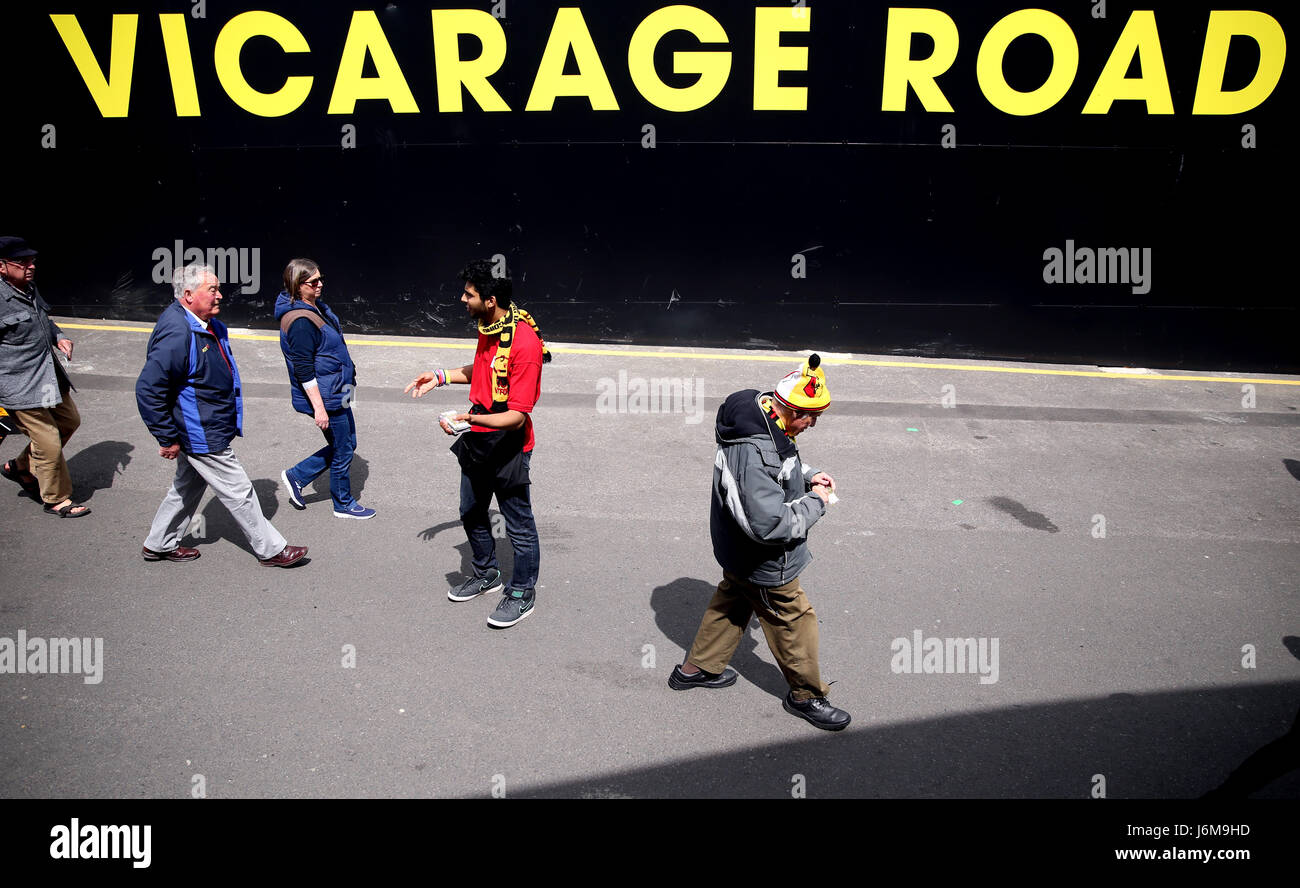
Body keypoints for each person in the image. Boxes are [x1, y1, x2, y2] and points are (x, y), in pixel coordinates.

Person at [669, 354, 851, 731]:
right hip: (765, 559)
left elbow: (782, 466)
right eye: (810, 416)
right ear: (791, 408)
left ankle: (694, 670)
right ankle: (806, 695)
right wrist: (816, 501)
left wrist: (810, 474)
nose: (813, 424)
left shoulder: (763, 416)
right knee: (793, 620)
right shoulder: (756, 450)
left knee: (733, 600)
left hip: (737, 551)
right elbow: (769, 524)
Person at [405, 260, 549, 628]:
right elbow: (480, 370)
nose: (462, 299)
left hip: (509, 444)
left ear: (491, 299)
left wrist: (469, 419)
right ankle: (487, 573)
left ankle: (522, 592)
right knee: (470, 510)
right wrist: (439, 377)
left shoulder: (525, 345)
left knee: (518, 523)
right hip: (480, 439)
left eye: (469, 294)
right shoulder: (491, 327)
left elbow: (516, 415)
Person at [135, 263, 307, 567]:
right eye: (212, 289)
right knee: (239, 491)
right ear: (188, 295)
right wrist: (167, 436)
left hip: (204, 424)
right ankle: (271, 550)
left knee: (187, 486)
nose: (220, 295)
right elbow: (148, 389)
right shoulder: (178, 333)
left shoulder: (201, 324)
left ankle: (159, 543)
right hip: (200, 430)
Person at [274, 259, 374, 520]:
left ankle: (297, 476)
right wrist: (319, 408)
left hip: (338, 391)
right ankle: (343, 503)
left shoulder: (313, 308)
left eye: (321, 279)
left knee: (348, 443)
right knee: (343, 448)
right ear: (298, 286)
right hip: (327, 397)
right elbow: (303, 369)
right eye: (313, 282)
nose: (320, 285)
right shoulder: (300, 322)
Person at [0, 236, 89, 517]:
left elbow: (44, 320)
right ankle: (56, 499)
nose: (30, 266)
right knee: (48, 439)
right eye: (22, 262)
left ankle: (20, 467)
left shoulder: (27, 287)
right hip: (19, 384)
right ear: (2, 266)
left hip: (48, 375)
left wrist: (59, 337)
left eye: (32, 261)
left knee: (68, 421)